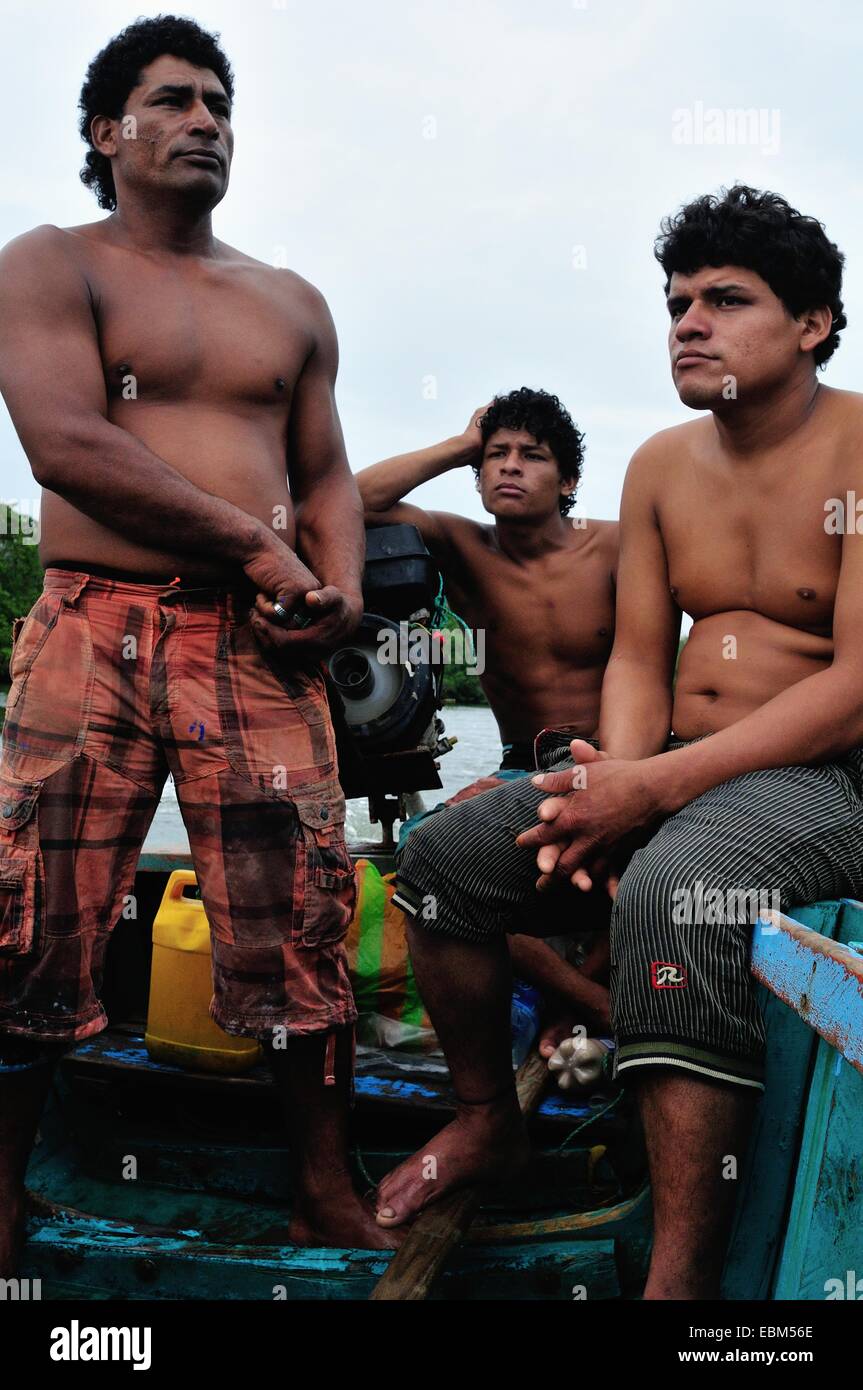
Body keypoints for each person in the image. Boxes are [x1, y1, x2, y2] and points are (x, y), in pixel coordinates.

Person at [374, 185, 863, 1301]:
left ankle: (676, 1286)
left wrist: (649, 794)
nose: (686, 320)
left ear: (811, 324)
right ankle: (486, 1119)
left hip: (824, 779)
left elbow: (851, 688)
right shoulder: (659, 465)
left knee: (673, 887)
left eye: (723, 299)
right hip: (673, 763)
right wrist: (611, 776)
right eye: (675, 300)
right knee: (446, 859)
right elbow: (638, 658)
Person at [0, 14, 394, 1273]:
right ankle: (3, 1192)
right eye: (172, 100)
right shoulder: (53, 264)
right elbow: (66, 442)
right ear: (108, 132)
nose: (207, 121)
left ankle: (321, 1190)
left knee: (302, 915)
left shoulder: (287, 300)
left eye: (221, 104)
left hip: (257, 646)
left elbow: (326, 471)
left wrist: (332, 588)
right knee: (31, 911)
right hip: (93, 625)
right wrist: (260, 548)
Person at [357, 391, 618, 1040]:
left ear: (568, 481)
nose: (509, 466)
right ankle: (588, 1005)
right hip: (518, 769)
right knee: (422, 861)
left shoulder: (615, 546)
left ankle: (571, 1007)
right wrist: (456, 445)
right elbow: (346, 502)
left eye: (531, 456)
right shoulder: (462, 545)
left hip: (618, 758)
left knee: (654, 872)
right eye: (495, 455)